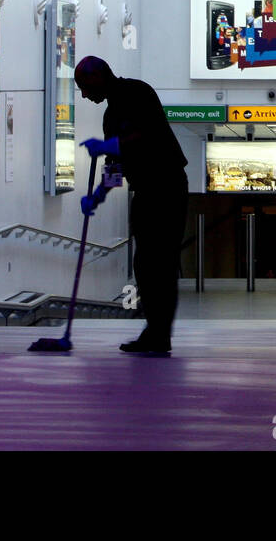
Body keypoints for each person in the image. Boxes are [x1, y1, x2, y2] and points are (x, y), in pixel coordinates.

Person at [75, 56, 189, 355]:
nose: (85, 95)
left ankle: (159, 335)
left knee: (160, 262)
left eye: (84, 87)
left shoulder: (139, 92)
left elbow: (145, 135)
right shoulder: (110, 116)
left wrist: (108, 146)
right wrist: (96, 197)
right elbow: (116, 167)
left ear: (99, 76)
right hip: (146, 192)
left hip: (167, 187)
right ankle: (155, 331)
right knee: (145, 265)